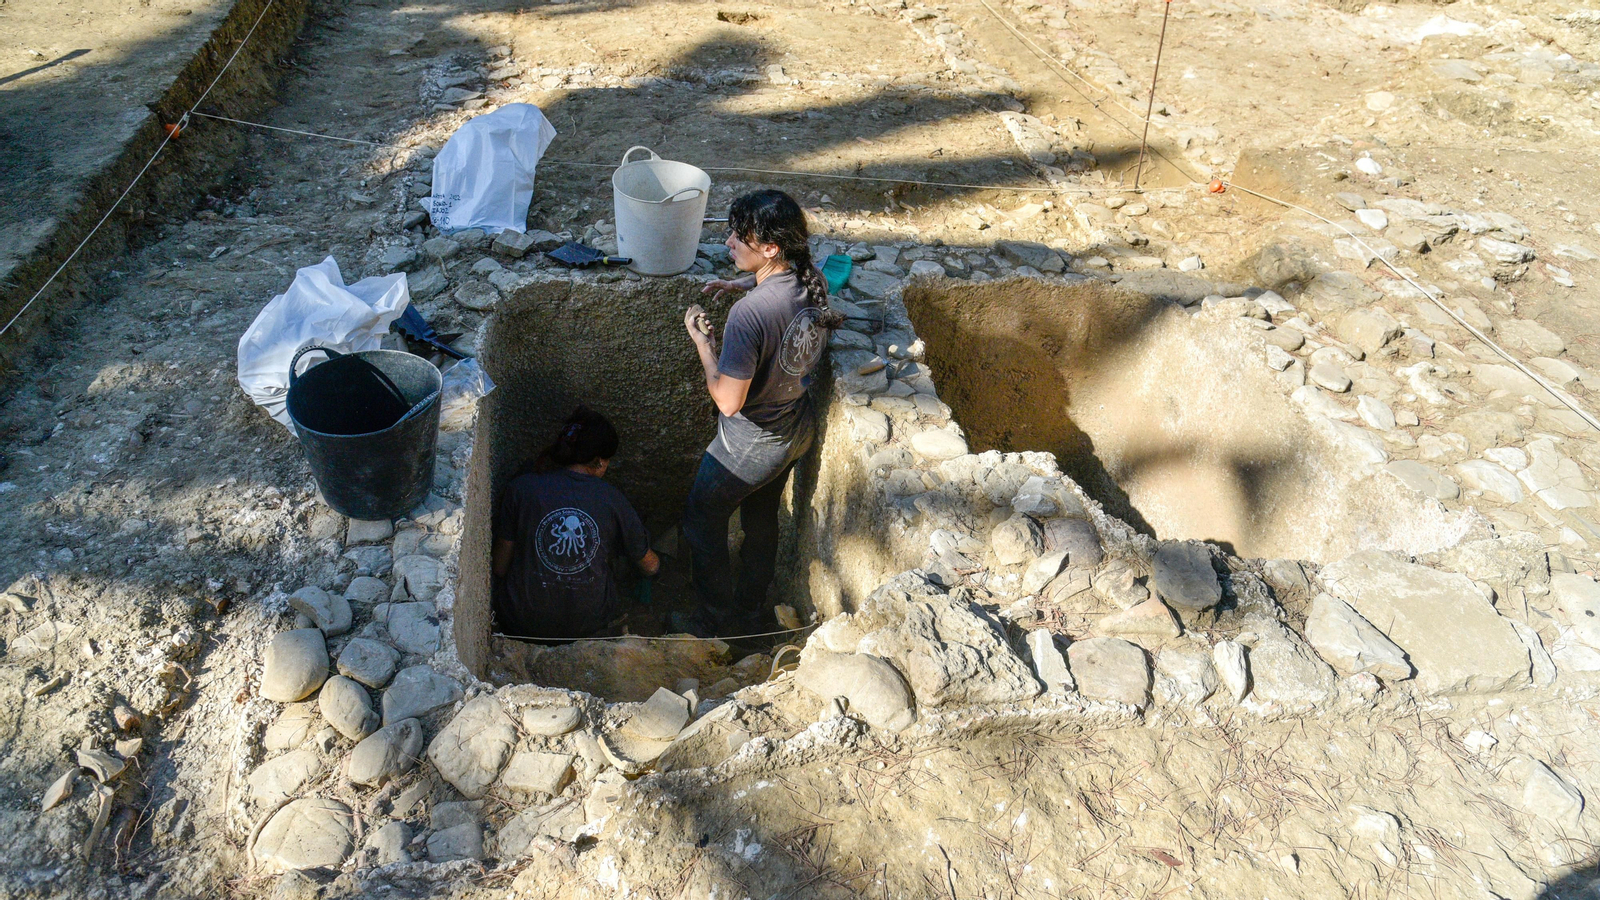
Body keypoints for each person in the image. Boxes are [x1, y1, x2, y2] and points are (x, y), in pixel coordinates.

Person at [679, 189, 844, 636]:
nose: (728, 242)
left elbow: (728, 401)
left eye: (739, 237)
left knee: (700, 520)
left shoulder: (748, 316)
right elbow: (778, 291)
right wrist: (741, 282)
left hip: (750, 446)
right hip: (795, 430)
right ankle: (751, 612)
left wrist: (703, 345)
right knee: (761, 518)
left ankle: (714, 621)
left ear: (770, 248)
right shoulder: (812, 280)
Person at [492, 405, 659, 641]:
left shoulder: (521, 488)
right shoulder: (612, 499)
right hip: (589, 624)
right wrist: (656, 567)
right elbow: (649, 565)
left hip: (521, 621)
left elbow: (499, 565)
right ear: (599, 462)